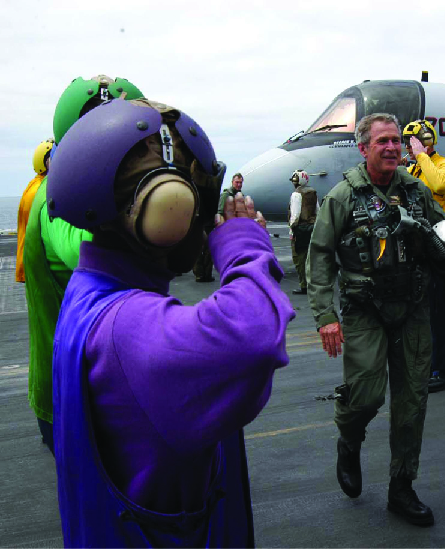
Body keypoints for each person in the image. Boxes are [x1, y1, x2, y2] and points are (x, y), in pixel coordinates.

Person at [47, 97, 295, 546]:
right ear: (170, 206)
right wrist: (245, 247)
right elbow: (254, 335)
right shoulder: (127, 328)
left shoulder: (87, 292)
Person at [307, 113, 445, 527]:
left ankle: (402, 487)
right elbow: (319, 256)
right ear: (364, 148)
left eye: (396, 141)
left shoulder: (415, 191)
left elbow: (443, 231)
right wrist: (325, 316)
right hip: (364, 311)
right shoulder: (342, 198)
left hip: (412, 308)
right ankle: (349, 440)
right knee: (367, 395)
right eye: (383, 141)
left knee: (412, 404)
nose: (392, 147)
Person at [24, 75, 143, 455]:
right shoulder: (57, 198)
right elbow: (86, 253)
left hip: (101, 385)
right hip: (77, 394)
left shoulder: (72, 188)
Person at [403, 119, 445, 392]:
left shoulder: (443, 164)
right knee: (418, 314)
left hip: (437, 243)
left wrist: (422, 155)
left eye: (412, 142)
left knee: (437, 314)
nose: (408, 148)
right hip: (415, 247)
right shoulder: (412, 167)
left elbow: (439, 186)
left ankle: (442, 370)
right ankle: (426, 365)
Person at [16, 138, 53, 282]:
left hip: (30, 260)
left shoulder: (34, 186)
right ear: (45, 162)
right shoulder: (40, 191)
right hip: (36, 262)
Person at [288, 169, 318, 295]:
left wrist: (291, 231)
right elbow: (318, 211)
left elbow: (295, 216)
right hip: (312, 228)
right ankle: (313, 284)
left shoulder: (296, 195)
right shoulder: (312, 193)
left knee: (299, 258)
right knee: (310, 258)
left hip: (300, 230)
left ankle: (303, 286)